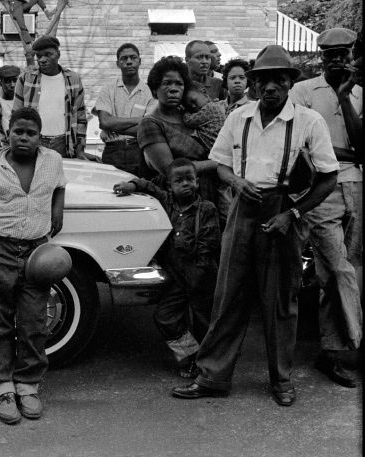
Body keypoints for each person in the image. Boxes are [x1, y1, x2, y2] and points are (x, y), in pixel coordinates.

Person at [171, 45, 339, 407]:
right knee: (228, 295)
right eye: (263, 80)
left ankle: (281, 379)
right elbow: (219, 165)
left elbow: (328, 178)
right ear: (254, 83)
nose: (271, 87)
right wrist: (235, 182)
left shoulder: (309, 121)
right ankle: (213, 377)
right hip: (242, 209)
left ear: (290, 83)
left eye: (279, 80)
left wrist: (292, 214)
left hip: (283, 210)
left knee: (280, 300)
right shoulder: (240, 117)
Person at [0, 106, 66, 424]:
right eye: (18, 131)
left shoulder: (52, 161)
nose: (24, 138)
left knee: (34, 321)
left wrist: (56, 215)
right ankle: (2, 388)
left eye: (31, 133)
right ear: (8, 132)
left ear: (40, 136)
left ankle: (28, 384)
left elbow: (59, 187)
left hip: (36, 251)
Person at [290, 27, 362, 388]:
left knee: (353, 267)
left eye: (343, 53)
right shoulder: (303, 91)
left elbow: (361, 147)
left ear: (352, 53)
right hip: (323, 187)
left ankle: (332, 353)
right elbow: (304, 147)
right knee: (335, 268)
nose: (337, 59)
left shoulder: (359, 92)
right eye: (330, 53)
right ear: (321, 56)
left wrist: (346, 96)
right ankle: (356, 340)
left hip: (358, 186)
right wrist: (343, 154)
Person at [114, 158, 220, 378]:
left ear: (197, 182)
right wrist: (131, 186)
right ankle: (190, 355)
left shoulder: (206, 209)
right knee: (165, 317)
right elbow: (147, 185)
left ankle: (210, 367)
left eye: (190, 179)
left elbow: (208, 245)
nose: (185, 184)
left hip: (201, 276)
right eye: (179, 181)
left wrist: (198, 277)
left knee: (205, 323)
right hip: (175, 276)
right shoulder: (166, 201)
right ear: (169, 185)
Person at [137, 56, 218, 206]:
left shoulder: (192, 116)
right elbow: (171, 169)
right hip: (175, 200)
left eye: (179, 84)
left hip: (208, 193)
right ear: (155, 90)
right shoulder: (150, 123)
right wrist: (218, 164)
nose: (174, 89)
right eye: (167, 83)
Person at [13, 35, 88, 159]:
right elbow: (16, 114)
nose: (42, 59)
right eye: (39, 56)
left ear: (58, 54)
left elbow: (80, 116)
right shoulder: (26, 78)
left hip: (63, 142)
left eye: (48, 54)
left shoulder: (73, 79)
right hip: (33, 142)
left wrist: (80, 149)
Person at [92, 43, 155, 174]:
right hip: (112, 151)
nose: (129, 62)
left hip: (140, 151)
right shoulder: (108, 89)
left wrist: (113, 126)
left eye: (133, 58)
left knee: (140, 190)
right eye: (124, 59)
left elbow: (149, 129)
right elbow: (105, 122)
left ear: (140, 61)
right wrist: (140, 120)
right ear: (118, 63)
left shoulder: (150, 92)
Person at [0, 64, 21, 150]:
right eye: (7, 81)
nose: (12, 85)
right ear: (0, 83)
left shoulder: (23, 103)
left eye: (15, 80)